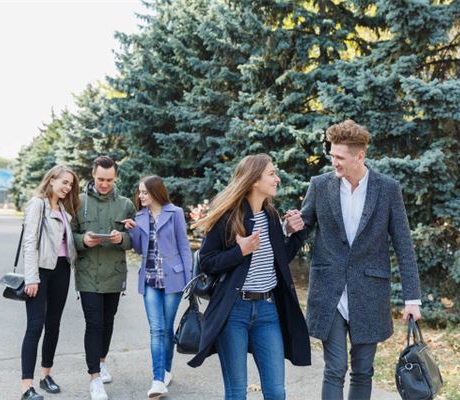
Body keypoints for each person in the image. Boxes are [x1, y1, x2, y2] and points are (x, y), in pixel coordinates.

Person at [288, 120, 422, 400]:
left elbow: (403, 245)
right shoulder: (320, 185)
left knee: (363, 370)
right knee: (334, 368)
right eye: (332, 155)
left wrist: (412, 299)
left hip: (370, 292)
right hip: (329, 291)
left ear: (360, 156)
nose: (333, 162)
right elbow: (303, 228)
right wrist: (292, 226)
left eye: (340, 157)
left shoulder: (387, 189)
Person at [187, 154, 311, 400]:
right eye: (272, 174)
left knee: (276, 391)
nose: (277, 178)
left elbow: (280, 259)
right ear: (254, 180)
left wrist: (296, 234)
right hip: (234, 311)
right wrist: (239, 252)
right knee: (236, 392)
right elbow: (207, 261)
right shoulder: (227, 216)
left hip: (267, 311)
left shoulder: (272, 216)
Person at [72, 156, 136, 400]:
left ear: (115, 178)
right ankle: (94, 378)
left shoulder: (125, 204)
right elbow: (70, 235)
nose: (104, 184)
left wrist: (122, 239)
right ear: (93, 175)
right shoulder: (78, 202)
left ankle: (102, 360)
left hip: (114, 274)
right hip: (88, 274)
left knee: (108, 321)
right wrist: (83, 241)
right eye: (100, 179)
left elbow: (135, 239)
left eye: (109, 180)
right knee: (94, 323)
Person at [121, 176, 192, 398]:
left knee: (167, 328)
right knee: (156, 329)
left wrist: (190, 279)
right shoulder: (139, 216)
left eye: (144, 192)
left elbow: (184, 246)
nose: (140, 196)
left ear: (156, 192)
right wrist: (133, 231)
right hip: (150, 279)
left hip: (174, 279)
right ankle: (158, 380)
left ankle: (166, 370)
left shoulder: (175, 213)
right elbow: (140, 250)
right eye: (139, 192)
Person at [20, 165, 79, 400]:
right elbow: (29, 242)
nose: (67, 187)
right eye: (64, 182)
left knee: (53, 325)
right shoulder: (38, 204)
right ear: (51, 180)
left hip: (62, 269)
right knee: (35, 326)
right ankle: (26, 387)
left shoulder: (64, 209)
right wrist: (32, 277)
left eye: (71, 184)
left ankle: (46, 376)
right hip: (41, 272)